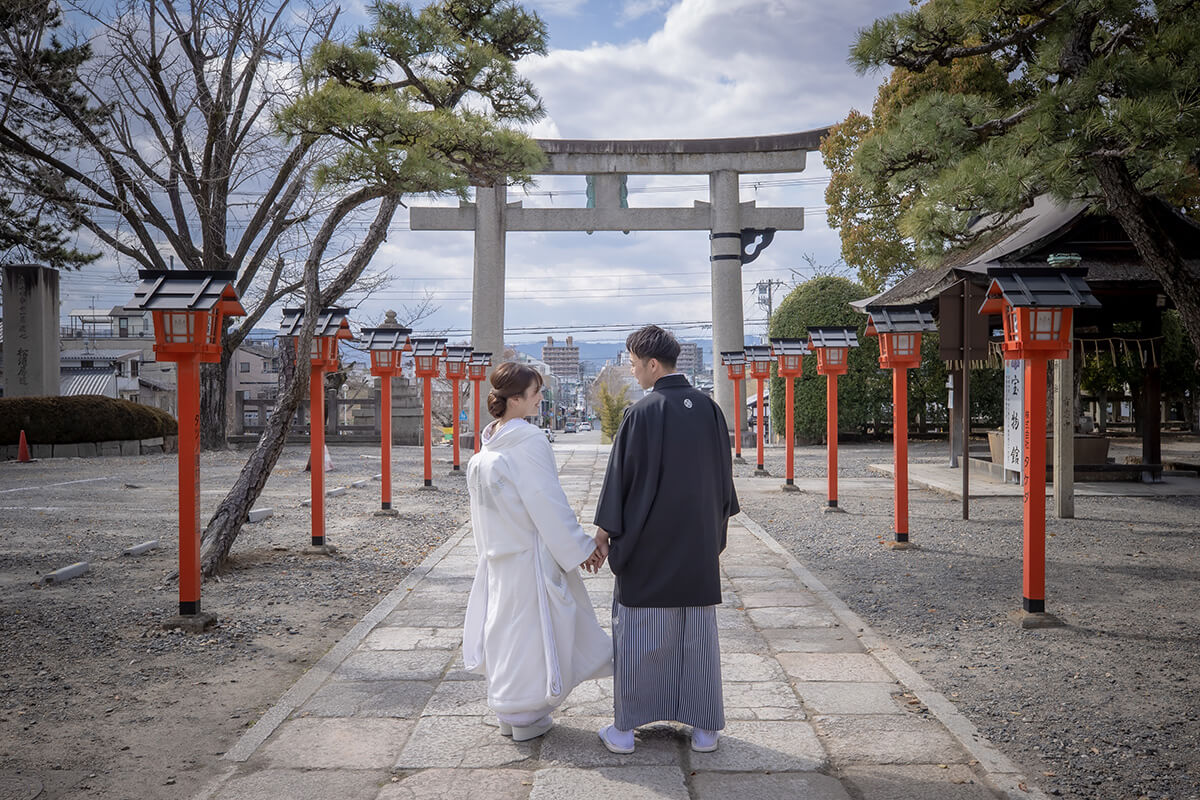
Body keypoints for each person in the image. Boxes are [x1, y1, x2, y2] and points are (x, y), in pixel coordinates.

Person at [593, 325, 739, 754]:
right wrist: (712, 534)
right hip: (697, 546)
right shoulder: (710, 409)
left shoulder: (642, 413)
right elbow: (724, 481)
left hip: (649, 547)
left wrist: (603, 534)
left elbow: (620, 481)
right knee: (697, 640)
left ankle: (625, 731)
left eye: (634, 364)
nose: (633, 371)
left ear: (653, 364)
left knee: (640, 637)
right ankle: (705, 730)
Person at [463, 361, 612, 742]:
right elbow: (547, 501)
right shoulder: (528, 441)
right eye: (536, 392)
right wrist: (582, 548)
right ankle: (525, 713)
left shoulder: (488, 447)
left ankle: (507, 709)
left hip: (498, 557)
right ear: (515, 399)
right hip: (528, 556)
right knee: (531, 633)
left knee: (503, 630)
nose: (541, 398)